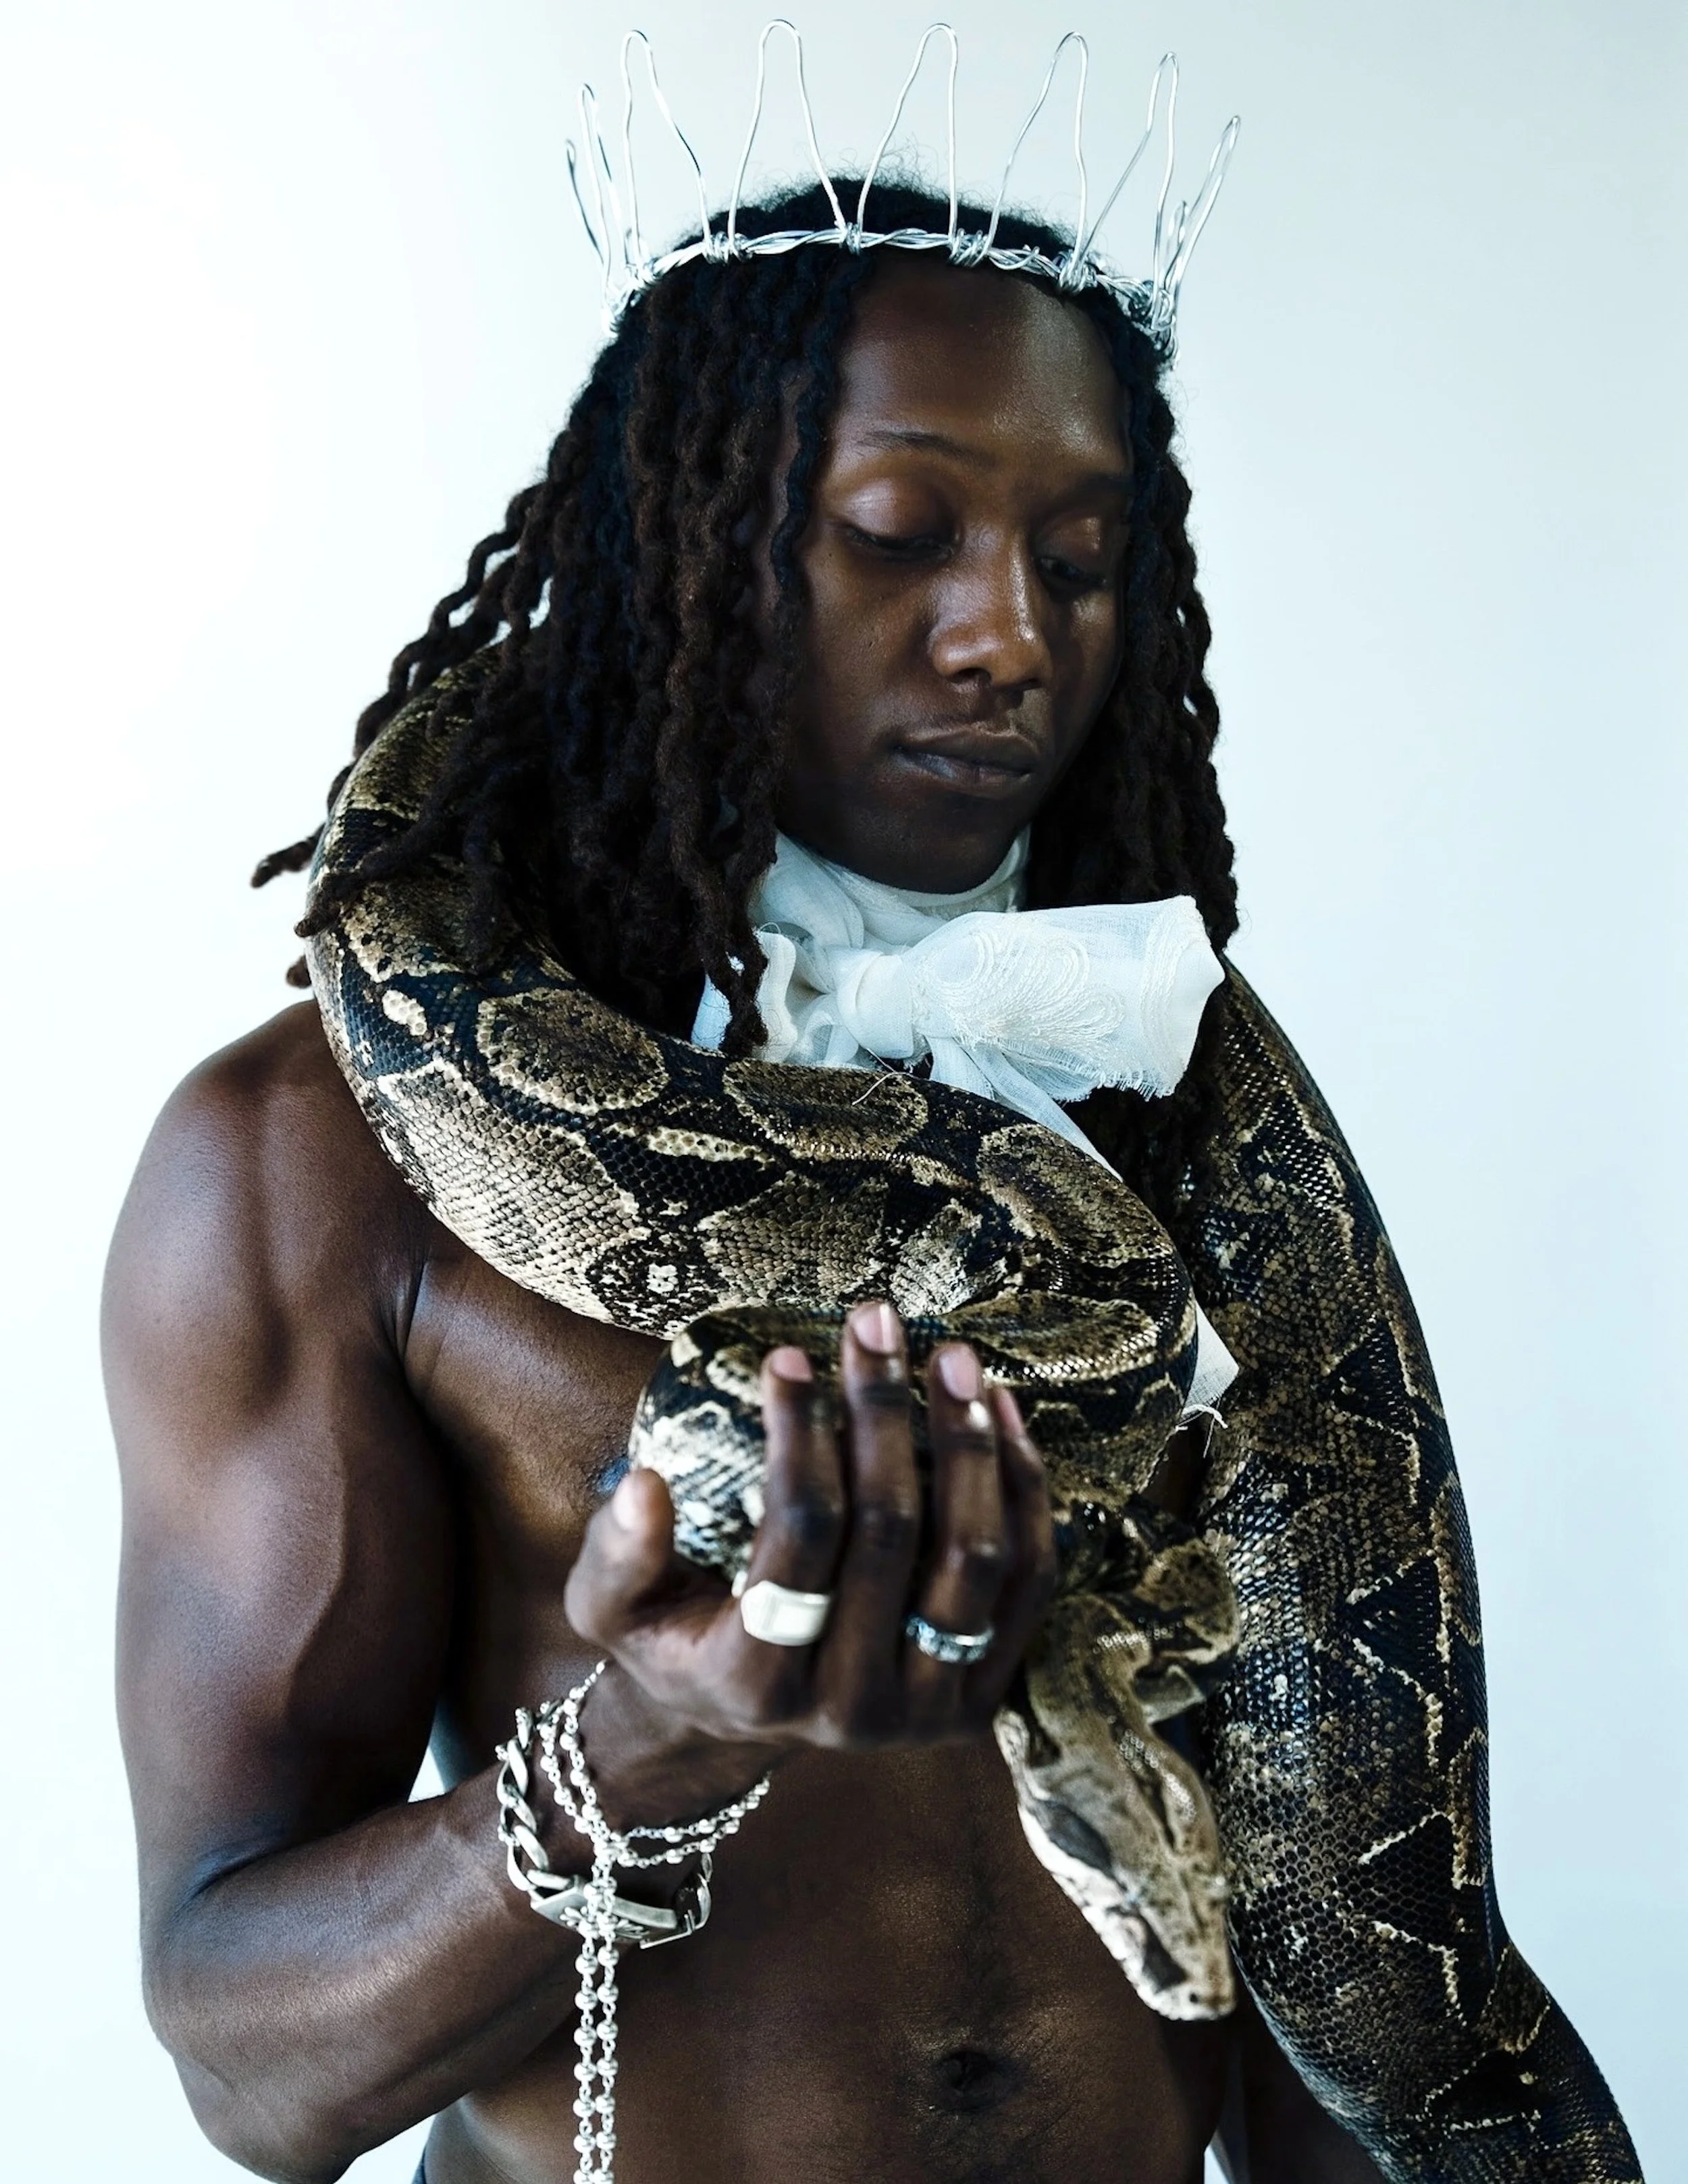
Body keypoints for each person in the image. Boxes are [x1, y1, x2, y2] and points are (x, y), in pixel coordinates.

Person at [102, 176, 1551, 2184]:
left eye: (1084, 556)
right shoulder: (311, 1163)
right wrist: (651, 1746)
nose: (1009, 638)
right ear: (680, 549)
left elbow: (1351, 1972)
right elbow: (248, 2069)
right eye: (898, 533)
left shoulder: (1165, 1109)